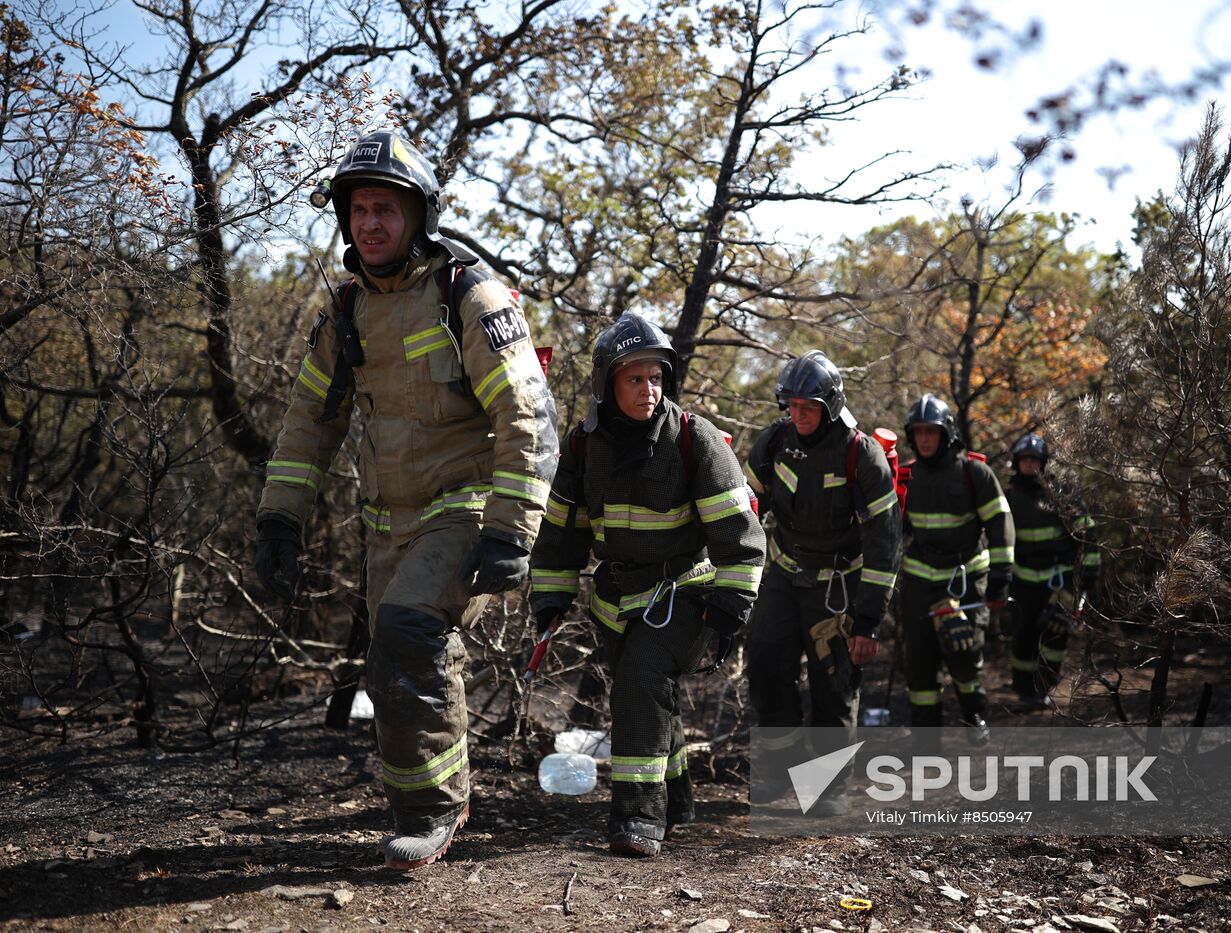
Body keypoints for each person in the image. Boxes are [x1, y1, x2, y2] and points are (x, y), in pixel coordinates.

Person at [253, 130, 558, 869]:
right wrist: (279, 516)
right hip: (387, 525)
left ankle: (435, 811)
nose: (370, 224)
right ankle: (419, 810)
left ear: (420, 214)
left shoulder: (467, 293)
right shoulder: (347, 309)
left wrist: (511, 532)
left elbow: (528, 414)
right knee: (389, 662)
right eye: (358, 209)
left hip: (466, 505)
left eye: (386, 208)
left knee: (409, 625)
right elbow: (308, 421)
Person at [528, 314, 765, 857]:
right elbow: (561, 534)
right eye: (634, 378)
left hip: (688, 592)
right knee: (648, 697)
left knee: (640, 679)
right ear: (608, 385)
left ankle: (638, 818)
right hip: (616, 601)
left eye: (655, 377)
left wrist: (730, 610)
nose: (648, 389)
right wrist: (550, 599)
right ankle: (677, 799)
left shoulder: (694, 439)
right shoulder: (585, 447)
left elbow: (741, 535)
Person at [743, 351, 900, 813]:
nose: (798, 414)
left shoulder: (861, 454)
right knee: (767, 670)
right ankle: (780, 773)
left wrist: (869, 622)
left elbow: (885, 541)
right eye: (790, 405)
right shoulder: (774, 441)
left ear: (831, 403)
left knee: (834, 687)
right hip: (784, 576)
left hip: (840, 590)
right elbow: (747, 506)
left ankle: (827, 790)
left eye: (807, 406)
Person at [896, 395, 1013, 744]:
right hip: (918, 579)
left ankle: (973, 717)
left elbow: (1000, 523)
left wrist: (1001, 577)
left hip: (964, 579)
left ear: (946, 433)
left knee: (964, 654)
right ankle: (925, 738)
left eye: (931, 431)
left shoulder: (974, 473)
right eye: (918, 433)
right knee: (919, 662)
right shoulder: (907, 475)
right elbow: (892, 530)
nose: (925, 439)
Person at [1005, 433, 1100, 710]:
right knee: (1023, 635)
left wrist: (1088, 577)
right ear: (1016, 462)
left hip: (1058, 580)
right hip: (1022, 580)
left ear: (1043, 463)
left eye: (1035, 459)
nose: (1030, 464)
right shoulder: (1008, 497)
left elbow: (1088, 535)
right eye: (1025, 459)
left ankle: (1044, 686)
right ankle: (1025, 691)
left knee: (1055, 634)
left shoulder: (1063, 495)